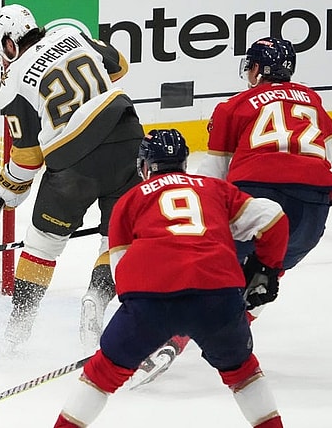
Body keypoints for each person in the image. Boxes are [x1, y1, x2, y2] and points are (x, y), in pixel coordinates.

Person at [130, 37, 332, 388]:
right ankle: (224, 336)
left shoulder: (234, 106)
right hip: (313, 211)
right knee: (265, 276)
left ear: (257, 69)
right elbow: (325, 156)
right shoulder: (314, 102)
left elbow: (214, 174)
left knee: (204, 265)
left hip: (258, 195)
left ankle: (167, 337)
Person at [54, 129, 289, 428]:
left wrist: (142, 330)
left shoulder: (129, 200)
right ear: (183, 162)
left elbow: (121, 272)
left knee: (102, 374)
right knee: (243, 373)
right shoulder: (215, 188)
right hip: (217, 294)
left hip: (152, 301)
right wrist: (266, 269)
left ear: (144, 165)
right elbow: (273, 218)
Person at [0, 4, 144, 350]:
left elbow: (28, 158)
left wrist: (9, 186)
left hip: (74, 163)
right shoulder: (72, 34)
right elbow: (120, 65)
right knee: (118, 239)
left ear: (10, 44)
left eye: (1, 55)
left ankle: (18, 329)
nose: (3, 64)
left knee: (43, 244)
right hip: (127, 137)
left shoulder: (13, 81)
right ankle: (97, 296)